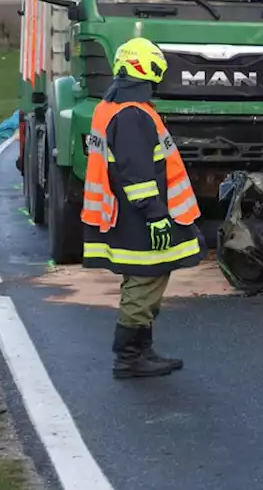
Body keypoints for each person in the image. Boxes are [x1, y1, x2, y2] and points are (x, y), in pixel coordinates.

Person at [81, 37, 206, 379]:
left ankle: (141, 351)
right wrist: (155, 214)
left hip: (119, 213)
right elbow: (136, 172)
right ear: (147, 69)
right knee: (144, 280)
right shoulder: (133, 114)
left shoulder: (110, 107)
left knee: (143, 280)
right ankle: (129, 358)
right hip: (139, 216)